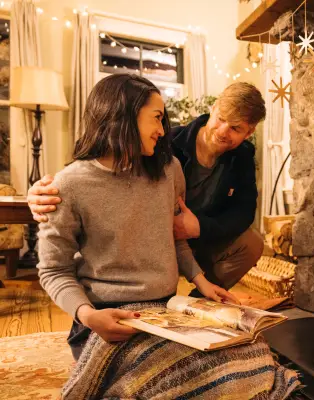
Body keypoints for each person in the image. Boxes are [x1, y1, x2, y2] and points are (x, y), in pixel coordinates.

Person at [36, 74, 237, 360]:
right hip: (105, 312)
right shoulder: (68, 185)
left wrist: (201, 282)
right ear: (124, 115)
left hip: (167, 309)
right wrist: (88, 315)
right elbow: (53, 270)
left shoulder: (169, 170)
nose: (162, 130)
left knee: (242, 358)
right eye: (156, 118)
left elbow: (173, 237)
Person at [28, 82, 266, 292]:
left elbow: (244, 212)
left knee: (252, 243)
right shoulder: (164, 142)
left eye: (235, 128)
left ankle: (203, 299)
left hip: (196, 240)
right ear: (213, 108)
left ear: (249, 132)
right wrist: (43, 191)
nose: (223, 132)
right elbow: (97, 172)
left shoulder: (243, 156)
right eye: (221, 119)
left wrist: (199, 228)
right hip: (149, 238)